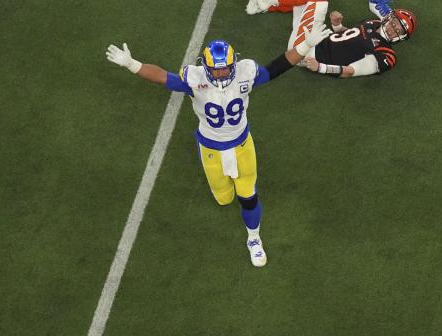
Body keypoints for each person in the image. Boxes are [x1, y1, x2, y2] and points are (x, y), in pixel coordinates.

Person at [104, 25, 330, 266]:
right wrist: (132, 64)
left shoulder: (245, 74)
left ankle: (253, 238)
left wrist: (305, 46)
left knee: (248, 195)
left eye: (225, 70)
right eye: (217, 70)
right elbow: (163, 77)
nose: (222, 75)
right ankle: (228, 197)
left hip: (242, 144)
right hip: (210, 148)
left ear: (234, 65)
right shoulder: (195, 80)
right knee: (223, 197)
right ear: (206, 67)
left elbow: (277, 67)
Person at [246, 0, 415, 77]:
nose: (393, 28)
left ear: (401, 37)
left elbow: (350, 71)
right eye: (394, 22)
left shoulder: (386, 54)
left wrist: (320, 68)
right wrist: (338, 26)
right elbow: (354, 40)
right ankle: (263, 6)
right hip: (319, 38)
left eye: (399, 30)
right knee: (301, 0)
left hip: (307, 51)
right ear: (389, 18)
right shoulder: (374, 23)